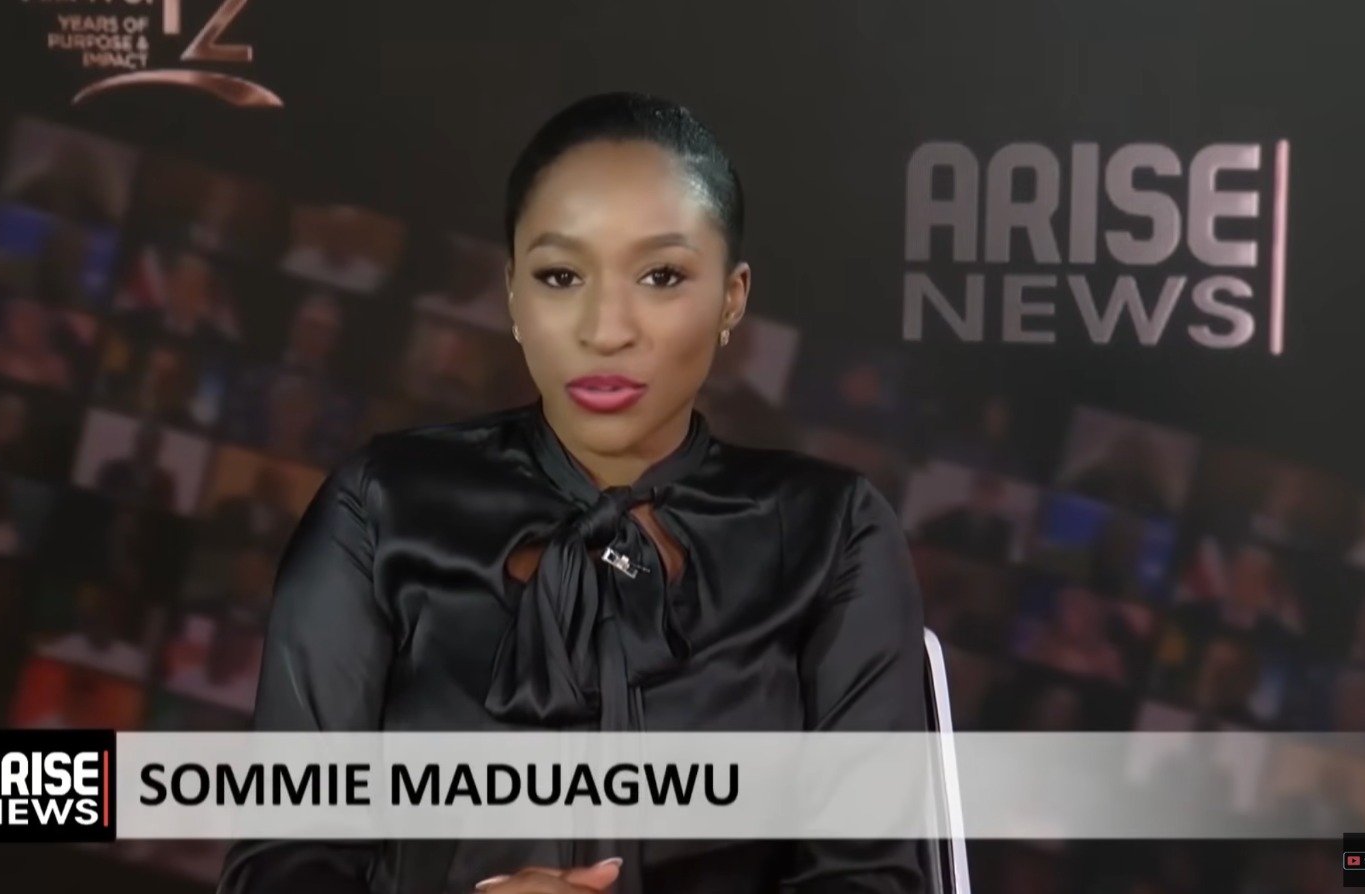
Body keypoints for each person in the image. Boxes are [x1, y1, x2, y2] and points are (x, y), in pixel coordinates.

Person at [219, 92, 929, 894]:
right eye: (560, 276)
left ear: (731, 299)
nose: (606, 329)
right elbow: (282, 860)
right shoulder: (381, 506)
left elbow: (870, 880)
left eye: (661, 276)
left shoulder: (831, 531)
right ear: (513, 294)